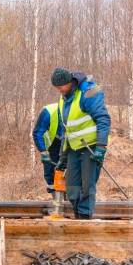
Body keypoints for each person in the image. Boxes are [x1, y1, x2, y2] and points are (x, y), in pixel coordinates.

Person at [52, 67, 111, 219]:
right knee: (72, 187)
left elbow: (103, 119)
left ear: (70, 82)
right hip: (73, 148)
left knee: (87, 187)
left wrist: (101, 147)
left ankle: (84, 218)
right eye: (57, 88)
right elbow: (67, 129)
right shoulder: (63, 98)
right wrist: (63, 158)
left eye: (61, 87)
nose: (59, 90)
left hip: (90, 148)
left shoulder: (87, 94)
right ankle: (78, 214)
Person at [32, 103, 64, 194]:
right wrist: (43, 152)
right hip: (52, 144)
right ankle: (55, 197)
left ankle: (70, 200)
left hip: (70, 143)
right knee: (50, 170)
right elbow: (38, 133)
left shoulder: (78, 111)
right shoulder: (48, 112)